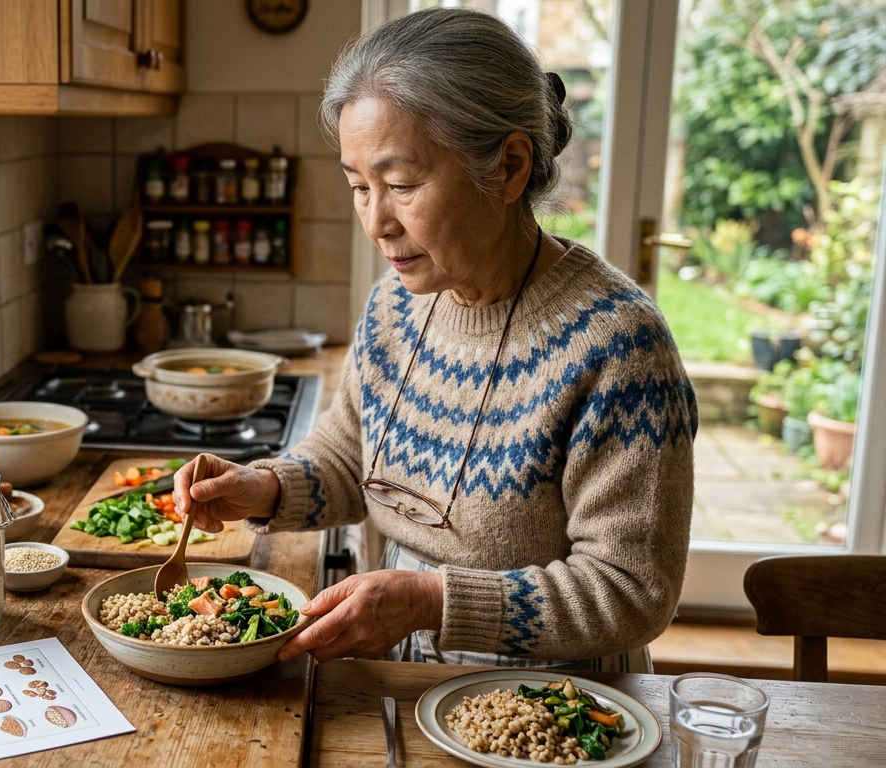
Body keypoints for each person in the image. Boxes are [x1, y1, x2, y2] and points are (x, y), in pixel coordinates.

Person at [173, 7, 697, 672]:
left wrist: (430, 602)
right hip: (404, 675)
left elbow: (631, 590)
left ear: (508, 168)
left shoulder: (617, 345)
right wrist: (264, 486)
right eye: (359, 186)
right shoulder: (396, 303)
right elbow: (351, 456)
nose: (376, 222)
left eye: (400, 185)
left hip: (554, 702)